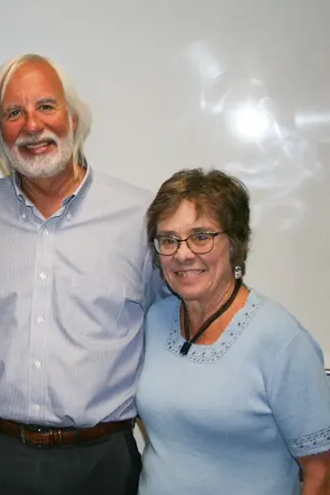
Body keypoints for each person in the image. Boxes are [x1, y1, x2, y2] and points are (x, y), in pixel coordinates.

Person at [0, 53, 166, 494]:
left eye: (46, 106)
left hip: (101, 462)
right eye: (13, 113)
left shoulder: (140, 218)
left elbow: (175, 326)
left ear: (73, 118)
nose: (32, 125)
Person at [135, 168, 330, 494]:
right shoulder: (156, 320)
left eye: (201, 237)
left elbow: (321, 472)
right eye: (168, 240)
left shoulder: (280, 340)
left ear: (234, 244)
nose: (182, 254)